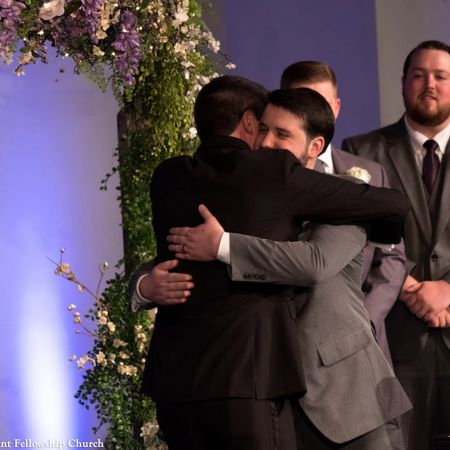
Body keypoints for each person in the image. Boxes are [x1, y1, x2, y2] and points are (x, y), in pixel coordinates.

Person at [140, 76, 408, 450]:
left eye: (281, 134)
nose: (266, 143)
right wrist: (144, 285)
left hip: (341, 391)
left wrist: (223, 246)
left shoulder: (344, 200)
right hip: (260, 387)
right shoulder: (240, 184)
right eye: (263, 129)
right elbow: (175, 251)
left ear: (315, 146)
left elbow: (314, 263)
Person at [342, 40, 450, 450]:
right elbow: (355, 239)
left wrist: (447, 291)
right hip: (394, 341)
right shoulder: (362, 151)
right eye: (419, 75)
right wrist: (409, 287)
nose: (429, 84)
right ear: (404, 82)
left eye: (441, 76)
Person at [279, 61, 407, 365]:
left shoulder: (370, 171)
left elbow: (391, 257)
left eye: (321, 104)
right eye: (302, 104)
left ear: (336, 108)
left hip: (365, 338)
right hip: (298, 341)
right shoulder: (269, 177)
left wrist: (363, 320)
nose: (313, 114)